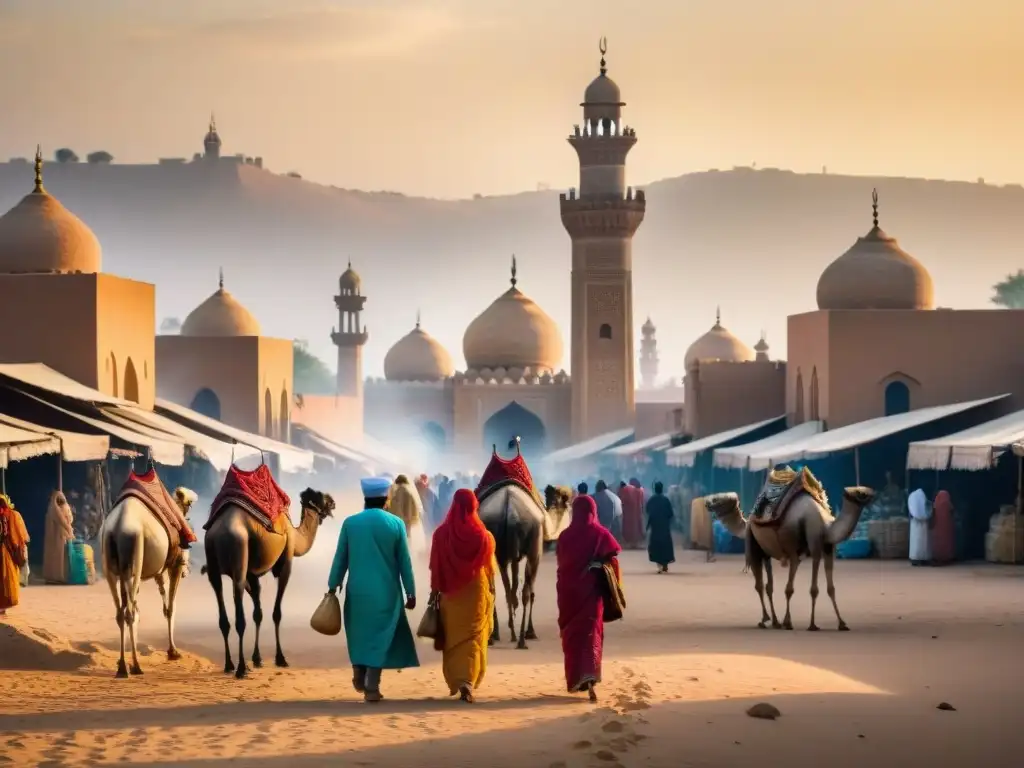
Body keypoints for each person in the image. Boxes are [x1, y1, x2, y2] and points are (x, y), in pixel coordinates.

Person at [328, 477, 419, 702]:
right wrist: (410, 591)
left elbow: (341, 558)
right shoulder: (396, 524)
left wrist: (333, 585)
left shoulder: (350, 523)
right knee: (380, 637)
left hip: (357, 592)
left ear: (366, 498)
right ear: (386, 499)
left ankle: (359, 670)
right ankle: (371, 685)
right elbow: (404, 563)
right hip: (386, 594)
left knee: (360, 634)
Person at [429, 489, 497, 703]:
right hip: (477, 590)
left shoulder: (440, 535)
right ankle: (469, 680)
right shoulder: (485, 536)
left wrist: (434, 591)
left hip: (451, 591)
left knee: (454, 638)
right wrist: (491, 593)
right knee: (474, 636)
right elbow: (490, 569)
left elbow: (436, 566)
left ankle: (459, 680)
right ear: (474, 507)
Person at [556, 495, 622, 702]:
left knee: (573, 635)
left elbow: (562, 563)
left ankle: (577, 678)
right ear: (593, 512)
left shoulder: (565, 536)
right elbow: (612, 560)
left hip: (568, 594)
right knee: (591, 631)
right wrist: (600, 566)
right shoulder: (601, 534)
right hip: (591, 593)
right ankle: (590, 675)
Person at [0, 494, 30, 616]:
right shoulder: (13, 515)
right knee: (6, 578)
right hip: (7, 552)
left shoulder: (11, 516)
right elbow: (18, 537)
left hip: (5, 551)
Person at [387, 475, 426, 555]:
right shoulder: (409, 492)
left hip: (393, 523)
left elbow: (389, 508)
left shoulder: (393, 493)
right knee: (406, 542)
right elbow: (412, 510)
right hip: (405, 523)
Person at [43, 490, 76, 585]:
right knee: (59, 557)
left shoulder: (54, 508)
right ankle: (57, 577)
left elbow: (66, 520)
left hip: (58, 536)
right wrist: (70, 530)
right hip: (59, 536)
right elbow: (66, 521)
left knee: (58, 557)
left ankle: (55, 577)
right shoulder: (58, 508)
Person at [646, 481, 676, 573]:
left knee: (656, 546)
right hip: (664, 527)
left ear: (655, 489)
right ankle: (665, 564)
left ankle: (659, 565)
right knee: (665, 546)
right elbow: (671, 514)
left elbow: (648, 512)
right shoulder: (666, 500)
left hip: (655, 527)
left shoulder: (651, 500)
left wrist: (648, 524)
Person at [908, 488, 932, 566]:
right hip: (923, 523)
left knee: (915, 541)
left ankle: (915, 559)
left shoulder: (913, 496)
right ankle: (923, 558)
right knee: (923, 542)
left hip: (915, 523)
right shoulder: (922, 496)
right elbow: (926, 508)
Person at [617, 481, 645, 549]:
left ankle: (631, 543)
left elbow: (622, 500)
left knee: (629, 527)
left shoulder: (624, 490)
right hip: (637, 510)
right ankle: (636, 543)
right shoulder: (634, 488)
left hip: (628, 512)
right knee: (636, 526)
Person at [931, 490, 956, 565]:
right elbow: (952, 511)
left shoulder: (937, 502)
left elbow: (933, 512)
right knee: (947, 540)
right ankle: (947, 558)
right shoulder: (948, 503)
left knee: (938, 540)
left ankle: (938, 557)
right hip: (947, 525)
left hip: (938, 525)